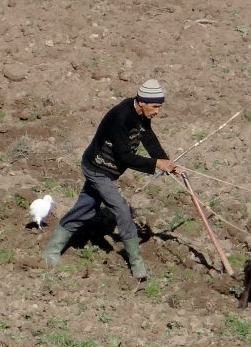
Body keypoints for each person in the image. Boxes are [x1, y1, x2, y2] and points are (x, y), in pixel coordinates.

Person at [43, 79, 181, 280]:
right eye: (155, 106)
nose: (158, 111)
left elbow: (148, 138)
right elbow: (124, 156)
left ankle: (51, 251)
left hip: (108, 172)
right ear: (142, 102)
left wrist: (167, 162)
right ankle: (136, 262)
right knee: (121, 209)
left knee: (86, 208)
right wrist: (156, 164)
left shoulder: (141, 115)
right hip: (97, 168)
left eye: (160, 106)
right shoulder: (120, 117)